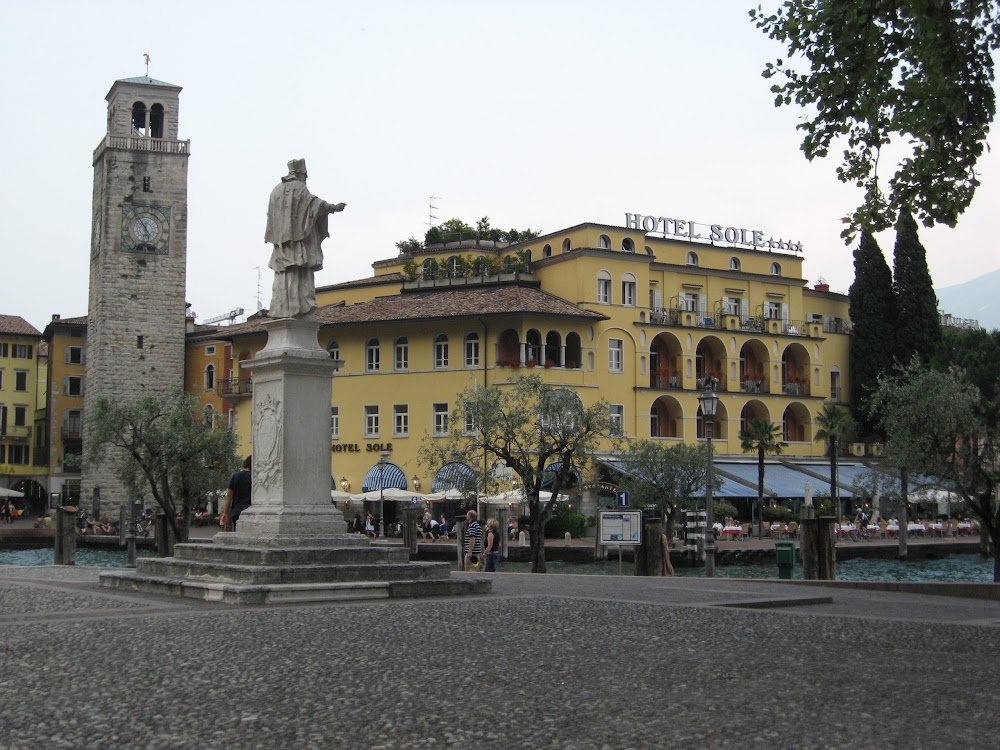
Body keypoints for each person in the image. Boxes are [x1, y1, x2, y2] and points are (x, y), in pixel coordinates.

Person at [264, 158, 346, 318]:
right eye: (306, 176)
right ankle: (298, 308)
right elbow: (316, 205)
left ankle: (280, 309)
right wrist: (334, 208)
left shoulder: (275, 192)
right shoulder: (300, 189)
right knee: (300, 276)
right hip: (297, 245)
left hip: (280, 246)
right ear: (301, 174)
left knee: (282, 277)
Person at [220, 455, 252, 531]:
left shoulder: (236, 476)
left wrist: (225, 512)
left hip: (237, 511)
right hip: (252, 510)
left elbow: (229, 496)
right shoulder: (256, 478)